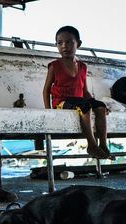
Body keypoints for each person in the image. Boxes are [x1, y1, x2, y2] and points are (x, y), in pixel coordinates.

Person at [42, 26, 114, 160]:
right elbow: (46, 90)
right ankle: (92, 145)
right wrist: (49, 111)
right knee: (85, 107)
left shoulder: (82, 66)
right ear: (56, 45)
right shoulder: (54, 66)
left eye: (69, 42)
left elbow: (85, 91)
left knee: (101, 106)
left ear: (78, 44)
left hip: (79, 100)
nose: (64, 46)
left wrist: (96, 103)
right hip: (61, 102)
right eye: (60, 43)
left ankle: (103, 145)